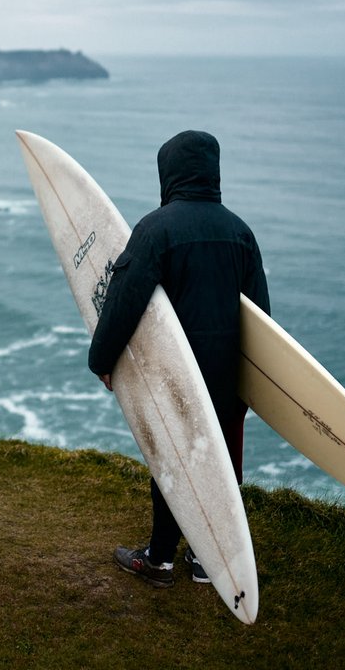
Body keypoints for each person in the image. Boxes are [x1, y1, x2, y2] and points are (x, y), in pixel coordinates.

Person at [87, 130, 270, 587]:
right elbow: (261, 318)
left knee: (172, 463)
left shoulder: (155, 230)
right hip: (229, 378)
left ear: (168, 173)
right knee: (219, 465)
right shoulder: (241, 233)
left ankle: (161, 559)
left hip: (175, 376)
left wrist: (103, 360)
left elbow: (124, 301)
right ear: (213, 172)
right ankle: (211, 562)